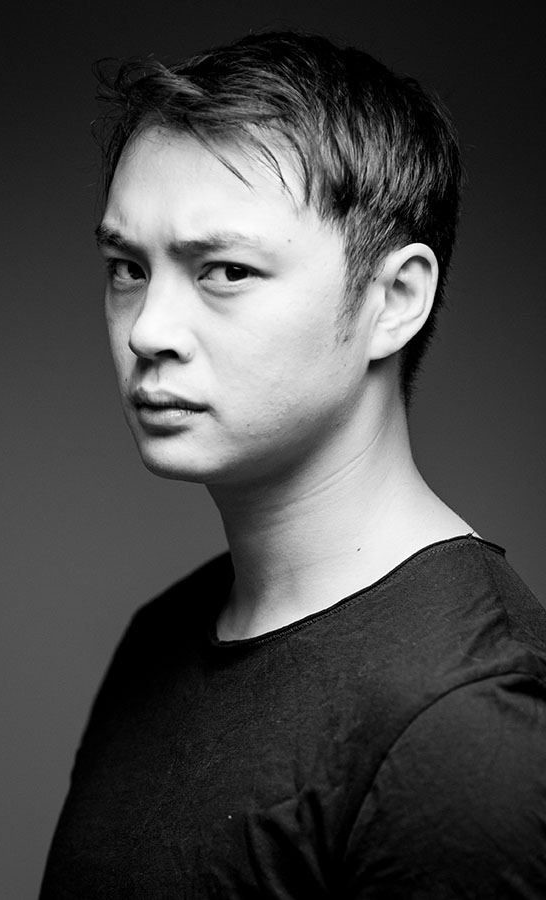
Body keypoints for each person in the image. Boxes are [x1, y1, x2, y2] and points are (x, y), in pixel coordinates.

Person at [39, 31, 546, 898]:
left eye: (226, 271)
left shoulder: (469, 726)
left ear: (395, 299)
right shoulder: (164, 635)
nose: (148, 330)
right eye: (127, 267)